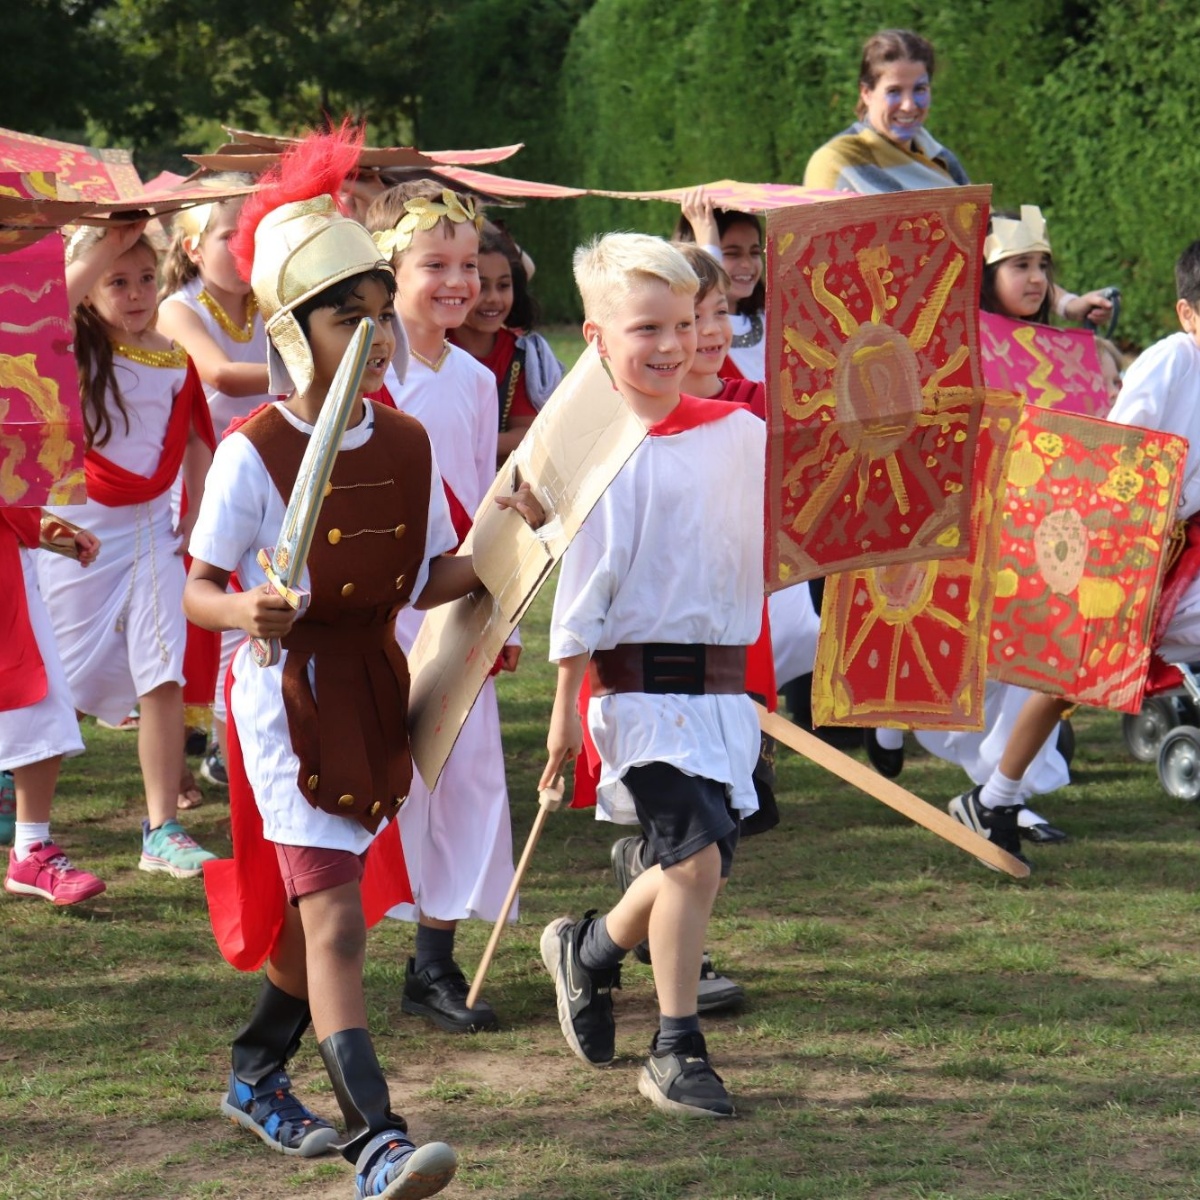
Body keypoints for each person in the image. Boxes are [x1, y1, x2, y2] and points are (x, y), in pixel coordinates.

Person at [185, 129, 546, 1198]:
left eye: (380, 314)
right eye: (352, 316)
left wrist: (512, 542)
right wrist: (246, 605)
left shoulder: (405, 442)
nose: (377, 337)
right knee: (337, 915)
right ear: (295, 332)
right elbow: (199, 588)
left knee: (318, 915)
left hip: (374, 691)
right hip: (282, 701)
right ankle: (377, 1142)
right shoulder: (255, 453)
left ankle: (256, 1068)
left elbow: (431, 576)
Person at [541, 232, 765, 1117]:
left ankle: (590, 950)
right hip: (634, 695)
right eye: (646, 329)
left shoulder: (743, 434)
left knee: (693, 865)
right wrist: (565, 711)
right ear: (597, 338)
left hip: (719, 694)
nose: (671, 345)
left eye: (683, 323)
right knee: (696, 859)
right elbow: (580, 596)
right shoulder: (602, 454)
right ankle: (676, 1049)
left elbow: (772, 545)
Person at [952, 239, 1200, 865]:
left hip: (1181, 547)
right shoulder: (1172, 361)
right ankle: (994, 798)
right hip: (1131, 544)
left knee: (1072, 679)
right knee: (1069, 678)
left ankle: (995, 798)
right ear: (1187, 313)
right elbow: (1122, 448)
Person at [364, 182, 519, 1035]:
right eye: (436, 265)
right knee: (376, 786)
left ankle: (435, 959)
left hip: (454, 612)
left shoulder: (471, 376)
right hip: (379, 616)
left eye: (470, 265)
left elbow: (483, 505)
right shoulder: (363, 374)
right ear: (390, 272)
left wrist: (503, 619)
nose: (458, 283)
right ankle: (329, 951)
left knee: (462, 785)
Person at [36, 222, 217, 878]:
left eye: (146, 277)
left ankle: (162, 827)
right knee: (62, 678)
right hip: (76, 533)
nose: (137, 293)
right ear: (91, 289)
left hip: (151, 533)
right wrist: (107, 243)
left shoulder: (172, 354)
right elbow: (47, 300)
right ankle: (21, 798)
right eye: (118, 280)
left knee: (160, 673)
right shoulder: (70, 348)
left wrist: (198, 518)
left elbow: (195, 434)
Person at [803, 29, 1110, 327]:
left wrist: (1068, 304)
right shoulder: (836, 163)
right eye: (894, 91)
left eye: (919, 89)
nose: (909, 105)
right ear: (866, 93)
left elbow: (994, 253)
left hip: (956, 337)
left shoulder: (940, 159)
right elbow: (821, 276)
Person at [159, 179, 274, 795]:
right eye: (230, 234)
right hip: (198, 481)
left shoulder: (269, 297)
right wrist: (318, 367)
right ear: (194, 247)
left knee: (255, 616)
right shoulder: (179, 306)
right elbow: (222, 376)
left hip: (274, 474)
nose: (242, 245)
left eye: (252, 233)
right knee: (195, 630)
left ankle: (233, 756)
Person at [1, 508, 106, 905]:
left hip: (9, 568)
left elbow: (13, 479)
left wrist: (59, 532)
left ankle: (31, 848)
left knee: (42, 700)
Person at [449, 223, 564, 464]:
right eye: (481, 286)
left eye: (503, 286)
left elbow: (527, 434)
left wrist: (454, 442)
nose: (493, 299)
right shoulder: (432, 348)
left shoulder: (521, 355)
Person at [674, 189, 765, 381]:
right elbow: (702, 291)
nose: (747, 264)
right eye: (732, 253)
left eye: (755, 252)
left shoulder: (772, 315)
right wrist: (707, 241)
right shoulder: (693, 333)